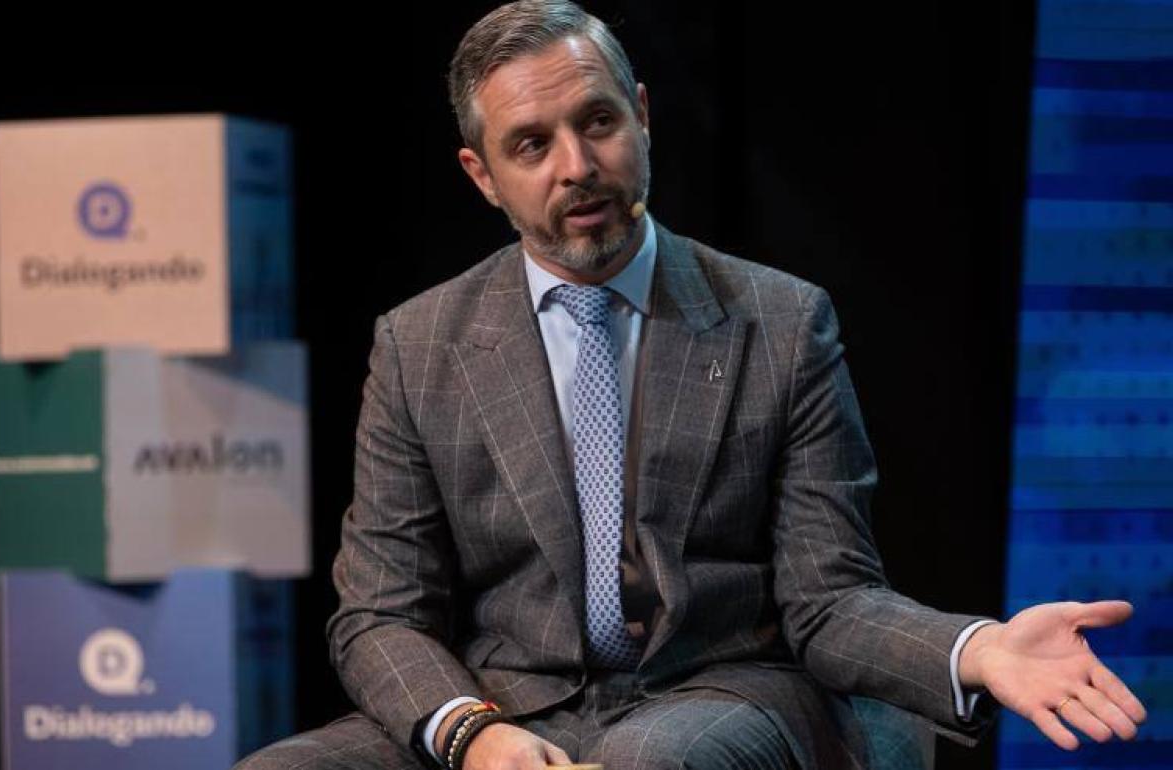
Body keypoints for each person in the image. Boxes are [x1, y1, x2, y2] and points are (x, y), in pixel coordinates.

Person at [237, 2, 1147, 768]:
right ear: (483, 176)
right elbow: (379, 616)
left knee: (647, 760)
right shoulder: (419, 344)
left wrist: (978, 648)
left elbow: (830, 600)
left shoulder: (781, 322)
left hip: (719, 689)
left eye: (598, 122)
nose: (576, 167)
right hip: (502, 704)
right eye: (532, 144)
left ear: (640, 115)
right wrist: (473, 735)